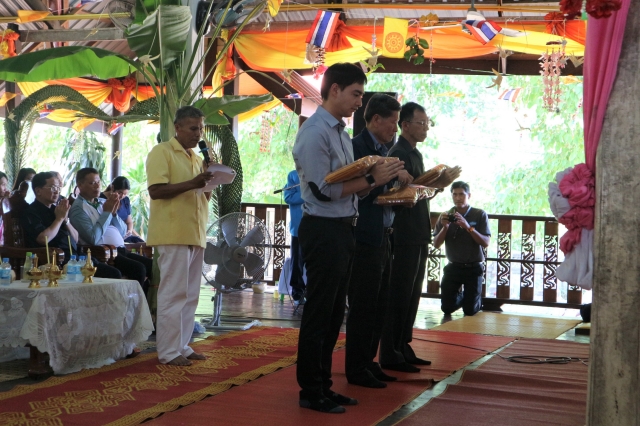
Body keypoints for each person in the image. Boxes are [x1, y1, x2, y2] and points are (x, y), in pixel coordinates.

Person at [292, 63, 404, 414]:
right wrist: (373, 180)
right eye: (356, 94)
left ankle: (324, 384)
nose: (360, 102)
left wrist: (375, 177)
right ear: (335, 89)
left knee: (333, 313)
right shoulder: (315, 132)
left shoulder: (339, 132)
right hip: (323, 229)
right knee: (320, 312)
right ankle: (310, 389)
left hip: (343, 228)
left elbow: (346, 184)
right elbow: (323, 191)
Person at [346, 93, 414, 389]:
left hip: (384, 235)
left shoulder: (385, 151)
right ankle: (356, 367)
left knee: (379, 305)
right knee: (363, 306)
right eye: (393, 122)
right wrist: (381, 181)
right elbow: (355, 191)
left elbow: (384, 193)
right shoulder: (357, 149)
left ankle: (369, 362)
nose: (395, 129)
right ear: (375, 119)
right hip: (363, 236)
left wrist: (402, 194)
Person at [146, 106, 214, 367]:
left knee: (190, 295)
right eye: (193, 128)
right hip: (172, 233)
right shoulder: (162, 151)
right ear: (177, 127)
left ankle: (182, 346)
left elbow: (202, 196)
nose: (198, 134)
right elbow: (156, 191)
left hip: (194, 233)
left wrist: (210, 181)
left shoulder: (196, 159)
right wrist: (193, 183)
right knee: (173, 294)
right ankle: (168, 351)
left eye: (201, 129)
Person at [380, 102, 436, 373]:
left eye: (427, 123)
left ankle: (403, 344)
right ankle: (390, 350)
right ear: (405, 125)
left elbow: (417, 188)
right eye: (421, 123)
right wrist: (423, 188)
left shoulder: (415, 153)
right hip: (403, 233)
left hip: (418, 231)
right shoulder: (398, 153)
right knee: (399, 293)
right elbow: (395, 193)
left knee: (412, 294)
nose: (426, 128)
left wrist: (434, 184)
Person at [21, 171, 122, 278]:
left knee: (114, 272)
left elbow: (76, 238)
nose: (57, 191)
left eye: (58, 188)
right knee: (113, 274)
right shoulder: (31, 212)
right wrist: (59, 219)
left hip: (75, 258)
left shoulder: (57, 210)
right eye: (53, 188)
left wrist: (66, 220)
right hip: (56, 262)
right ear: (38, 191)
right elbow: (43, 239)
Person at [69, 168, 152, 293]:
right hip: (102, 253)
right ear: (80, 185)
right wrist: (107, 212)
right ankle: (131, 303)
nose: (97, 186)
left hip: (119, 249)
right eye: (92, 183)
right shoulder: (78, 208)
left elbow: (123, 231)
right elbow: (93, 238)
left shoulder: (103, 202)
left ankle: (147, 302)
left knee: (152, 266)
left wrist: (113, 213)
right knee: (139, 269)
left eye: (98, 182)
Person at [433, 181, 490, 316]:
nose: (458, 198)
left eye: (461, 194)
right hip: (453, 266)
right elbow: (436, 244)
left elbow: (485, 242)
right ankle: (467, 297)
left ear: (468, 195)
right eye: (455, 194)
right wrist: (445, 228)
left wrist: (467, 226)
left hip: (473, 267)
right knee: (447, 308)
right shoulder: (445, 216)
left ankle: (474, 300)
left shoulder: (479, 214)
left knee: (470, 311)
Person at [283, 170, 305, 304]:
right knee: (297, 262)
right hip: (298, 227)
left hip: (318, 227)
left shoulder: (322, 171)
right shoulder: (293, 175)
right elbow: (288, 197)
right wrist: (308, 193)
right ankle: (297, 294)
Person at [100, 176, 144, 243]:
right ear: (112, 188)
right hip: (110, 235)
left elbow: (129, 222)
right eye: (120, 193)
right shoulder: (100, 199)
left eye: (125, 194)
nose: (122, 196)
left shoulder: (125, 200)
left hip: (124, 234)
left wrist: (129, 231)